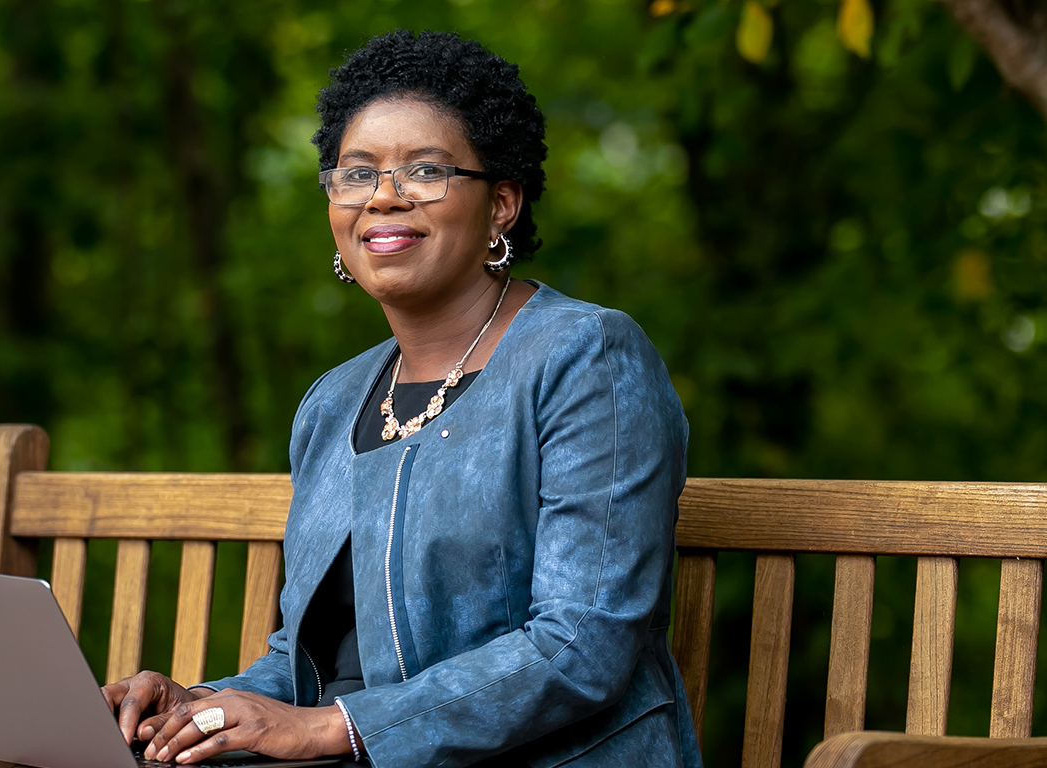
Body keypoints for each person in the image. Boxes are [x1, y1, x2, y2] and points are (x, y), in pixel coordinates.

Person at [102, 30, 698, 768]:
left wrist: (332, 731)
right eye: (356, 175)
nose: (383, 196)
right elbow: (304, 668)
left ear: (502, 204)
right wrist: (195, 709)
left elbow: (581, 643)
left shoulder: (586, 357)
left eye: (426, 170)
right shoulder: (335, 400)